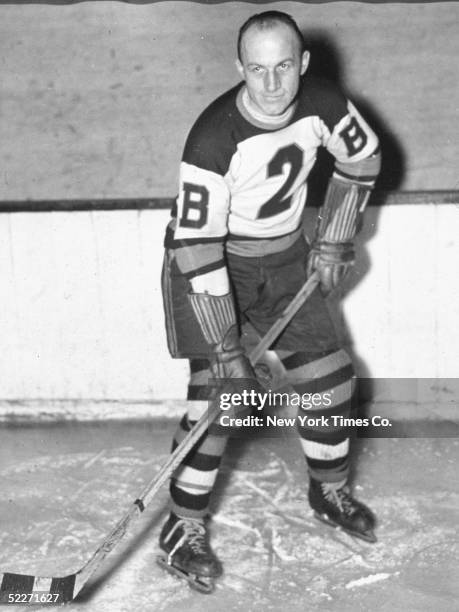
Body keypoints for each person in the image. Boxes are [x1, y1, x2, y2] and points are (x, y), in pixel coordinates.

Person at [159, 10, 381, 591]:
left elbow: (364, 156)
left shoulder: (325, 103)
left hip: (283, 259)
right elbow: (198, 244)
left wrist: (335, 233)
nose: (272, 84)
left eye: (284, 66)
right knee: (220, 399)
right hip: (207, 264)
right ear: (240, 69)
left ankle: (327, 489)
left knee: (330, 380)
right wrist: (227, 348)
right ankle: (181, 528)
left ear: (303, 64)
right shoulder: (212, 138)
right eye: (258, 70)